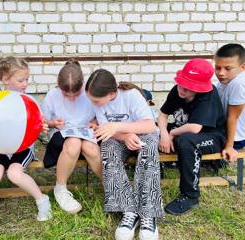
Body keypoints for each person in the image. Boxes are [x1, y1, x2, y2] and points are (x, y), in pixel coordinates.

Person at [0, 57, 51, 228]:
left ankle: (42, 200)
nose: (25, 83)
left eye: (27, 79)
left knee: (14, 174)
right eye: (21, 80)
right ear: (5, 79)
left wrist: (41, 127)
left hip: (22, 148)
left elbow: (37, 122)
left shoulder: (29, 102)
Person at [85, 69, 164, 240]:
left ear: (111, 93)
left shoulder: (131, 95)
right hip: (119, 137)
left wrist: (119, 127)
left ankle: (148, 214)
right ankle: (129, 211)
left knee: (149, 150)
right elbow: (107, 131)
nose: (93, 103)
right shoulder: (99, 103)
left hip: (143, 134)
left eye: (96, 100)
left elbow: (149, 126)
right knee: (107, 148)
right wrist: (124, 135)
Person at [158, 58, 226, 216]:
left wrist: (171, 134)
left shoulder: (208, 95)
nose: (182, 90)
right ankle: (154, 176)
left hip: (212, 136)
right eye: (181, 84)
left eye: (189, 88)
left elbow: (195, 128)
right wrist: (163, 134)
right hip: (184, 130)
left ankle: (190, 195)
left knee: (186, 141)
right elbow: (162, 115)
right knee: (151, 130)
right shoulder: (177, 90)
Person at [42, 60, 101, 214]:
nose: (71, 98)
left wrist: (95, 122)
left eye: (76, 94)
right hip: (62, 136)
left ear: (83, 85)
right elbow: (43, 122)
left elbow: (101, 115)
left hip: (87, 133)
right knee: (74, 143)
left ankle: (110, 186)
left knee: (91, 148)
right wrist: (53, 123)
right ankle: (60, 189)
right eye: (66, 94)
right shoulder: (52, 95)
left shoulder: (91, 92)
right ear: (58, 85)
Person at [214, 43, 245, 162]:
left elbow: (233, 117)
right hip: (224, 131)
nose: (221, 73)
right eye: (218, 67)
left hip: (235, 138)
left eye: (228, 68)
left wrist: (229, 146)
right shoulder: (225, 80)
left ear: (243, 67)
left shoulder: (238, 83)